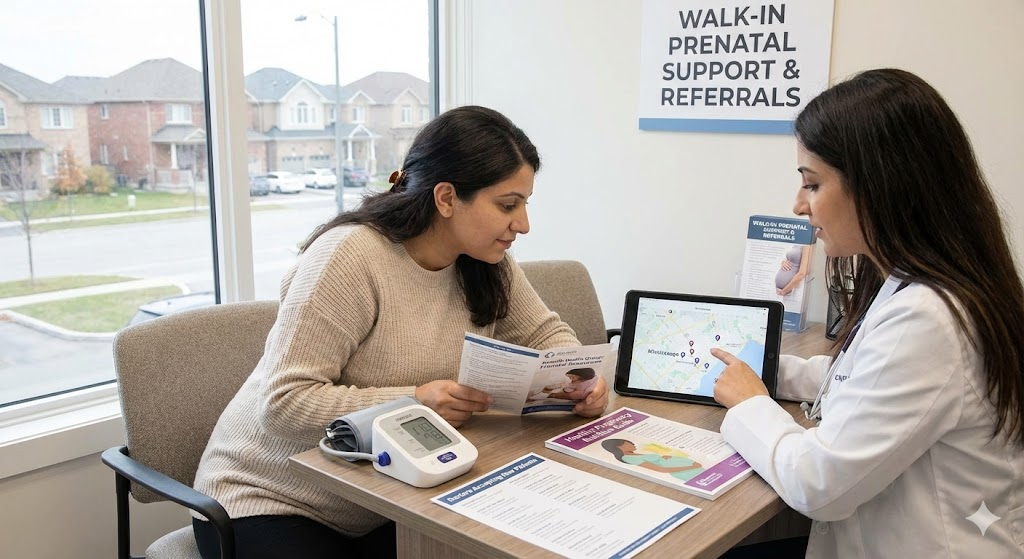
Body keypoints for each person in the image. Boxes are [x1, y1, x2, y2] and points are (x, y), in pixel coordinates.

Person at [190, 105, 609, 559]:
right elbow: (283, 403)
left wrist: (581, 377)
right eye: (507, 205)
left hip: (392, 493)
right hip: (272, 498)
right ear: (446, 198)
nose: (523, 224)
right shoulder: (350, 258)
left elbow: (547, 335)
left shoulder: (486, 261)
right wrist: (415, 401)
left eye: (525, 204)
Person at [710, 69, 1024, 558]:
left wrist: (751, 404)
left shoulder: (930, 317)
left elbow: (820, 484)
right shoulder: (921, 284)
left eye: (812, 185)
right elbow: (861, 380)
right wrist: (767, 371)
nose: (799, 205)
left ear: (880, 185)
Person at [600, 438, 704, 481]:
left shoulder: (633, 454)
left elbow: (654, 461)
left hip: (686, 467)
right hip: (686, 471)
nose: (632, 444)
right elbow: (661, 470)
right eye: (629, 443)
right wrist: (691, 466)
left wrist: (661, 457)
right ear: (619, 446)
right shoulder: (628, 458)